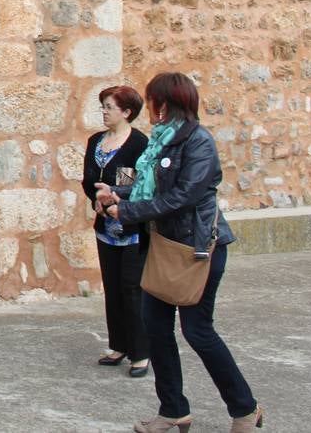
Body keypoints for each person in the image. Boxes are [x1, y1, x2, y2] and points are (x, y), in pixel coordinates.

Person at [97, 72, 263, 433]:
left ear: (168, 103)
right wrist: (114, 193)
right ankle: (173, 409)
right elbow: (145, 188)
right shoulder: (160, 143)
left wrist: (126, 211)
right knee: (155, 327)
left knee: (198, 330)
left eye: (154, 100)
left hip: (196, 250)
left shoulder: (198, 142)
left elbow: (181, 197)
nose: (151, 108)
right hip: (164, 248)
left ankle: (245, 409)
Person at [81, 84, 150, 376]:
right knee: (112, 286)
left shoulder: (137, 144)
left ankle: (141, 352)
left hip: (130, 227)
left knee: (131, 288)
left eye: (110, 107)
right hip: (105, 226)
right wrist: (96, 199)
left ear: (127, 112)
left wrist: (113, 199)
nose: (105, 112)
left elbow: (133, 184)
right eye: (104, 107)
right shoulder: (96, 140)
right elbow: (87, 178)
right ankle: (118, 344)